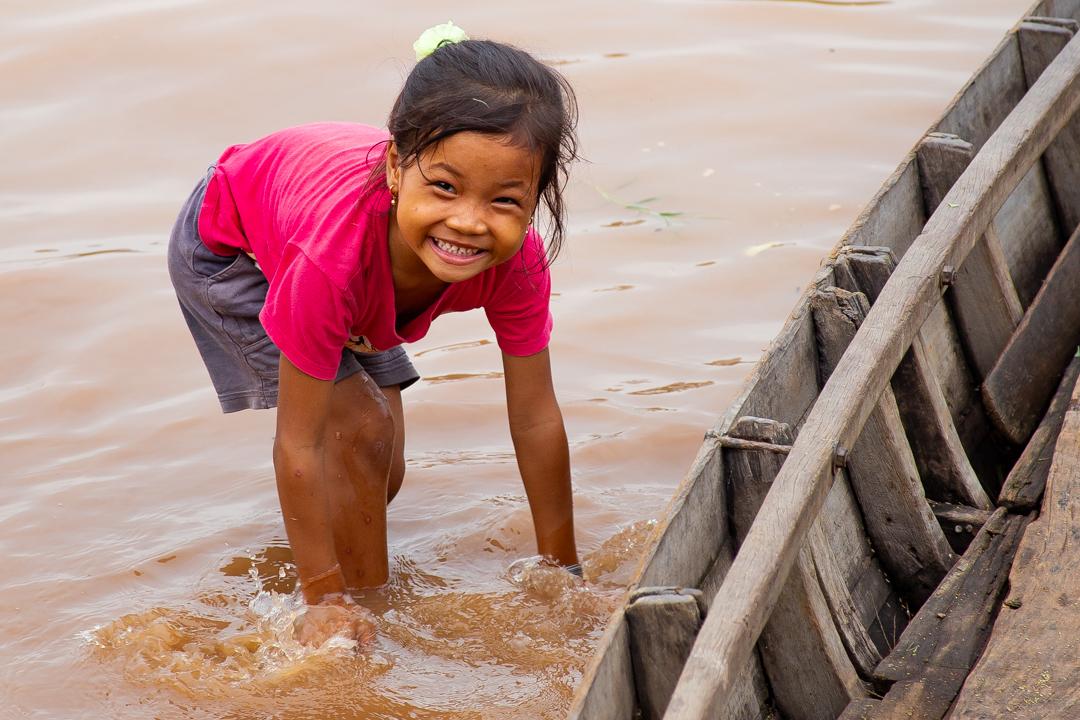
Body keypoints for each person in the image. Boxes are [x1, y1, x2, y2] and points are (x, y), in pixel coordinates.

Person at [166, 24, 581, 646]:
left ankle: (347, 583)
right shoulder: (330, 262)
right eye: (444, 187)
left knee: (379, 468)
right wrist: (322, 599)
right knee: (357, 429)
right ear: (396, 167)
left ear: (536, 200)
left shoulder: (518, 264)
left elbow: (536, 417)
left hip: (360, 263)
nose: (468, 222)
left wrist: (563, 570)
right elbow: (298, 444)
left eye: (503, 200)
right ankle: (354, 620)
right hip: (232, 249)